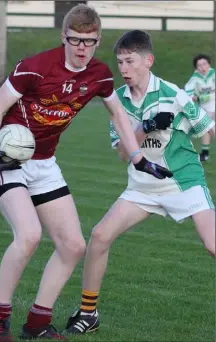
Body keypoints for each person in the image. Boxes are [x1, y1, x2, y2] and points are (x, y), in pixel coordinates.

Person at [0, 6, 174, 342]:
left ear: (98, 40)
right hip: (9, 160)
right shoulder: (35, 68)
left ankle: (37, 324)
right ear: (64, 37)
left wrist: (139, 158)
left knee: (72, 245)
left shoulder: (98, 75)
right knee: (28, 236)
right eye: (75, 40)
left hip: (44, 164)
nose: (82, 47)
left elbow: (117, 115)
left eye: (90, 41)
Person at [63, 29, 215, 336]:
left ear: (148, 60)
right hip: (142, 186)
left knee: (213, 245)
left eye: (130, 61)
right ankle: (88, 312)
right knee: (100, 236)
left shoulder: (174, 94)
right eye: (119, 62)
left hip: (183, 181)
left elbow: (206, 128)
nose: (124, 69)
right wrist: (146, 127)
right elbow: (123, 152)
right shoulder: (117, 100)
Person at [185, 54, 215, 162]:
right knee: (206, 129)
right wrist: (193, 98)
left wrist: (201, 98)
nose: (203, 67)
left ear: (209, 64)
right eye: (199, 65)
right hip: (205, 108)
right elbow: (187, 92)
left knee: (208, 128)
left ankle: (205, 153)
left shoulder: (213, 74)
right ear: (196, 68)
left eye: (204, 64)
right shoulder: (195, 78)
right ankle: (205, 153)